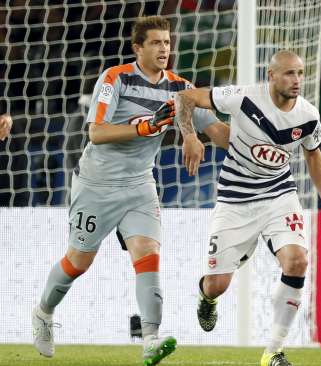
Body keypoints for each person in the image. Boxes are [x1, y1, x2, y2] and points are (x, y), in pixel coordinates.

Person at [31, 16, 230, 366]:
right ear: (138, 48)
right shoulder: (115, 78)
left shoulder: (179, 89)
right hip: (96, 184)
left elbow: (215, 129)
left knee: (148, 254)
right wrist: (145, 127)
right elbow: (96, 133)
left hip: (139, 186)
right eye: (156, 43)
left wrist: (260, 141)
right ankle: (44, 312)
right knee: (79, 261)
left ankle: (151, 339)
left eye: (167, 42)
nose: (164, 49)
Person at [175, 49, 321, 366]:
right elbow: (185, 98)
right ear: (271, 75)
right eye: (289, 73)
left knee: (297, 261)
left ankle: (273, 351)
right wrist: (189, 136)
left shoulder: (308, 114)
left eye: (300, 73)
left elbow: (313, 155)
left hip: (279, 195)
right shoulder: (242, 98)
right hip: (235, 199)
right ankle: (206, 297)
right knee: (217, 285)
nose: (297, 80)